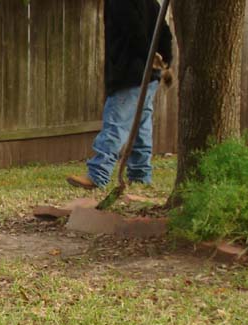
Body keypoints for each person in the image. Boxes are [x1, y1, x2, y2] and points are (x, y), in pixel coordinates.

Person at [68, 0, 173, 190]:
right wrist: (166, 61)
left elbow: (132, 30)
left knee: (116, 124)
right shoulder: (151, 3)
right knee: (141, 128)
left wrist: (152, 57)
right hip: (149, 75)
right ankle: (140, 175)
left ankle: (98, 174)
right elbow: (164, 31)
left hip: (129, 73)